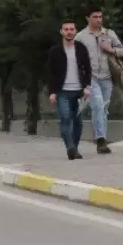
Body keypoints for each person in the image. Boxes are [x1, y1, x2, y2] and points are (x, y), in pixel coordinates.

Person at [75, 8, 123, 155]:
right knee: (97, 104)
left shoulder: (109, 34)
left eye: (100, 17)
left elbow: (122, 51)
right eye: (95, 17)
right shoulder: (80, 37)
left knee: (104, 108)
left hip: (107, 77)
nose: (99, 19)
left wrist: (111, 49)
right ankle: (101, 140)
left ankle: (101, 137)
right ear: (87, 18)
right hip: (90, 76)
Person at [47, 20, 92, 160]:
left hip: (79, 91)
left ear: (75, 31)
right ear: (61, 31)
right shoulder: (55, 50)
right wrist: (52, 91)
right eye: (66, 29)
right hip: (62, 91)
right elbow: (50, 72)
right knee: (66, 118)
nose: (69, 31)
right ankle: (70, 148)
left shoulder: (81, 48)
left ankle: (75, 148)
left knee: (77, 121)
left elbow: (87, 68)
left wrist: (87, 86)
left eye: (71, 29)